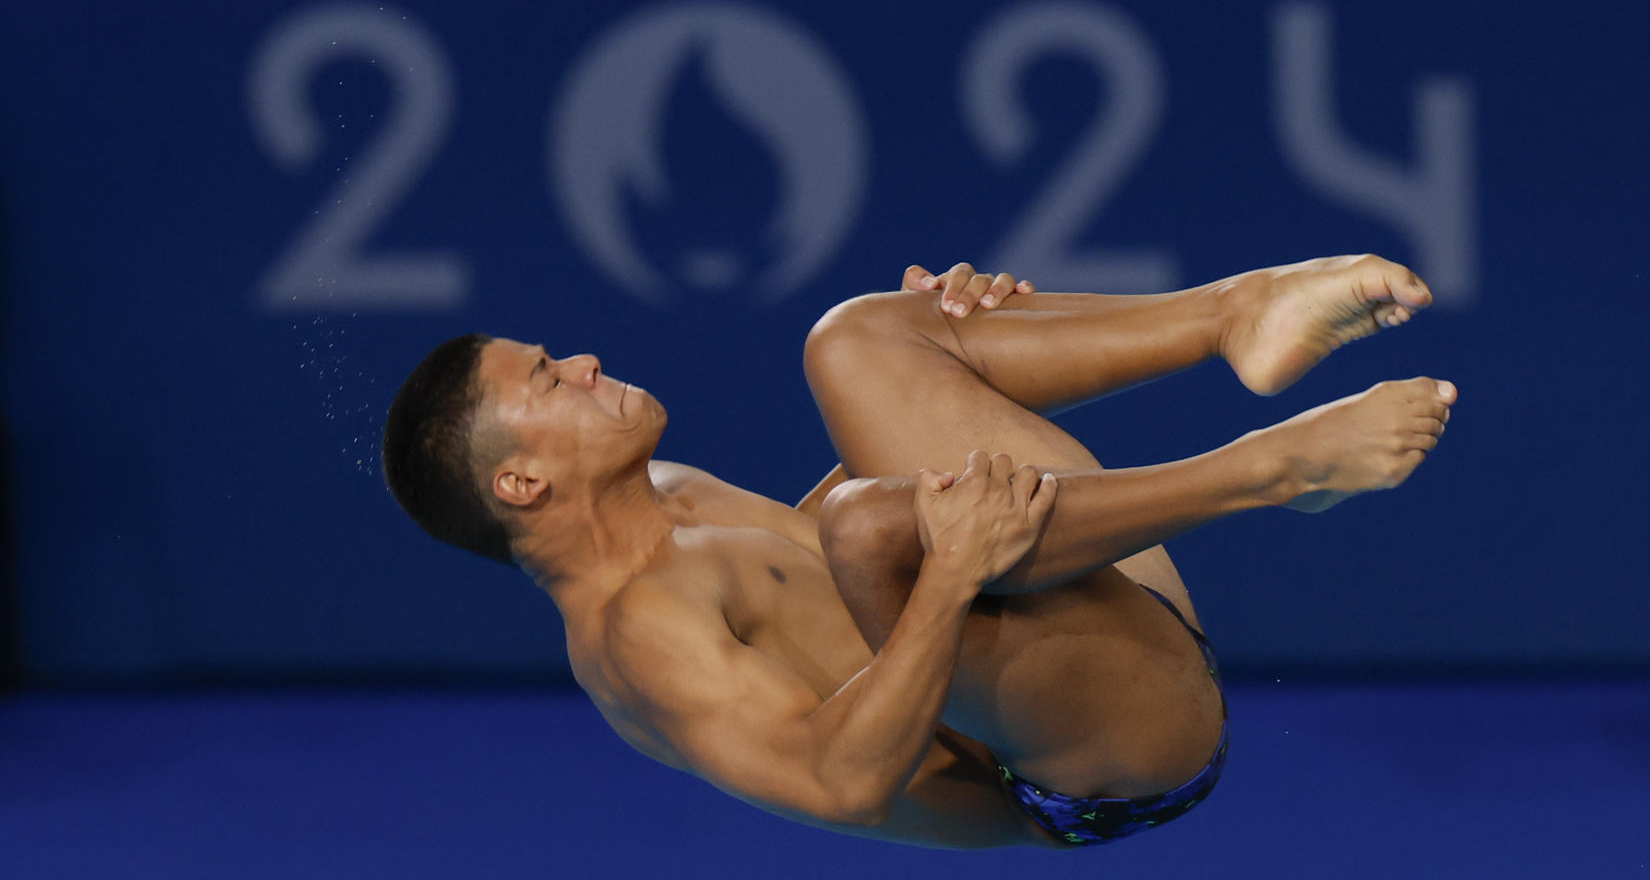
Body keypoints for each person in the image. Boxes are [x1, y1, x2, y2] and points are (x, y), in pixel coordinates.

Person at [382, 254, 1455, 848]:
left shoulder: (667, 489)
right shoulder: (634, 639)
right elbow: (844, 781)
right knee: (870, 522)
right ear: (521, 483)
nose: (582, 359)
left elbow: (851, 557)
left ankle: (1237, 310)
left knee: (858, 336)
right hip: (1096, 765)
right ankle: (1277, 467)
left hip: (1092, 629)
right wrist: (943, 570)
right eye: (546, 378)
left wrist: (948, 353)